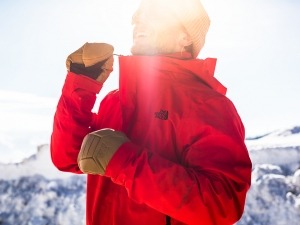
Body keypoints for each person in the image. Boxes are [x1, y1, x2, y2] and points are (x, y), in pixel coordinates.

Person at [50, 0, 252, 224]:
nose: (138, 21)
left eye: (154, 14)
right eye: (137, 16)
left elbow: (222, 204)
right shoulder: (114, 100)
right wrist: (81, 83)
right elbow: (69, 158)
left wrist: (124, 161)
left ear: (186, 38)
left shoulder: (208, 105)